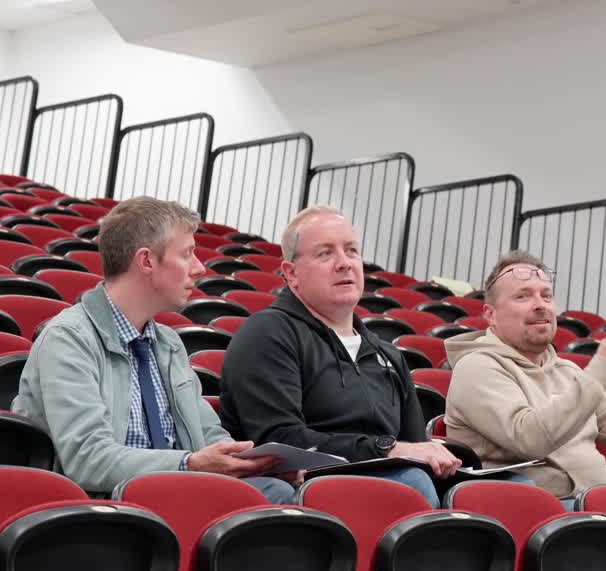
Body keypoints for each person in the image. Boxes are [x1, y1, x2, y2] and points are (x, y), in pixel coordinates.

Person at [11, 197, 294, 501]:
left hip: (174, 494)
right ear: (146, 261)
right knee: (273, 498)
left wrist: (248, 463)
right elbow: (88, 459)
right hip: (101, 506)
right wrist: (189, 464)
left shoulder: (168, 343)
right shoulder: (68, 338)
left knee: (276, 491)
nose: (200, 268)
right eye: (187, 254)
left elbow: (208, 435)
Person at [220, 206, 459, 507]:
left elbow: (415, 447)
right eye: (325, 254)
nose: (344, 263)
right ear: (291, 274)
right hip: (307, 487)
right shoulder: (268, 333)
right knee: (412, 483)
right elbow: (280, 441)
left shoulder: (387, 354)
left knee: (500, 489)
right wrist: (385, 449)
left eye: (351, 251)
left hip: (388, 479)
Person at [444, 250, 606, 500]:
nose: (540, 305)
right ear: (491, 315)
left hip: (600, 506)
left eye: (546, 296)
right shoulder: (476, 367)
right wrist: (604, 366)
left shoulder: (567, 372)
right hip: (537, 514)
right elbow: (529, 438)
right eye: (523, 296)